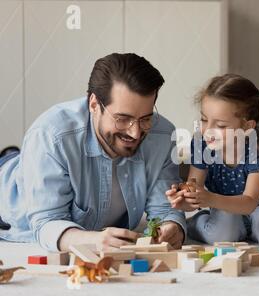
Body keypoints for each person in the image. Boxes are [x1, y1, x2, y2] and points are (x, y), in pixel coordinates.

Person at [0, 53, 186, 252]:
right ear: (94, 104)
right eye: (123, 119)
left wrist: (172, 228)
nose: (135, 132)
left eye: (146, 119)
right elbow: (47, 222)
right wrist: (92, 241)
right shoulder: (50, 135)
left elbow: (164, 210)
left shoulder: (163, 135)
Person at [166, 74, 259, 246]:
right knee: (221, 236)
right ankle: (200, 223)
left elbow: (250, 202)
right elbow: (193, 186)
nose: (208, 131)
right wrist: (186, 200)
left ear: (247, 126)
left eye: (220, 125)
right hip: (224, 203)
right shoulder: (201, 143)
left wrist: (209, 199)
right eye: (204, 120)